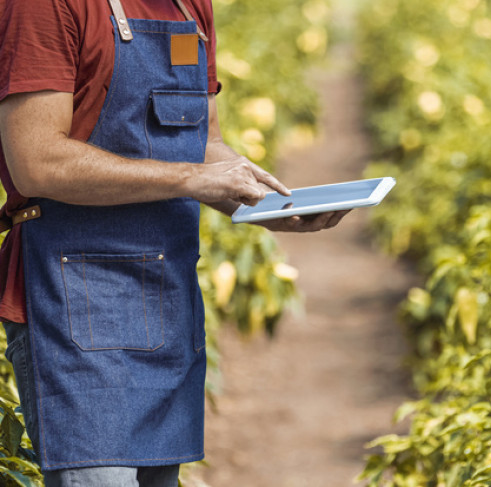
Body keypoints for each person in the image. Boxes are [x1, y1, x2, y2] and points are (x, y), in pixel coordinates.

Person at [0, 0, 348, 485]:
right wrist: (190, 178)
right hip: (72, 298)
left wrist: (270, 207)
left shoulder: (189, 6)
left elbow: (205, 147)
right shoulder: (46, 7)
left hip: (165, 297)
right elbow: (37, 161)